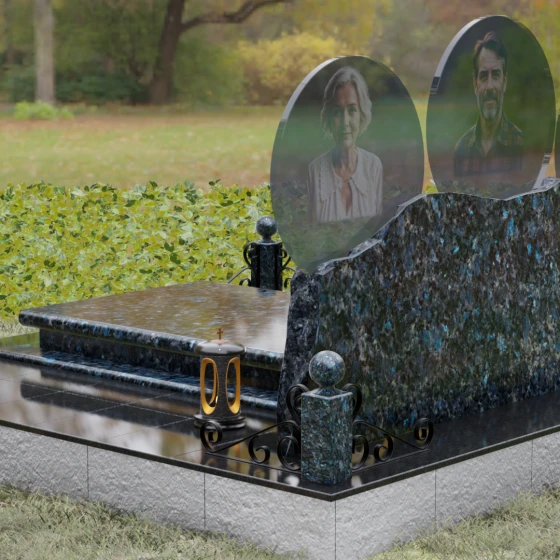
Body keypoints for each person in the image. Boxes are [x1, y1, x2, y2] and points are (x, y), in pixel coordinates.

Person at [308, 66, 383, 224]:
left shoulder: (373, 166)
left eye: (352, 110)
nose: (345, 122)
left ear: (361, 114)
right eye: (337, 112)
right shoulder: (314, 171)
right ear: (329, 118)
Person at [454, 31, 523, 178]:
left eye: (496, 75)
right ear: (475, 84)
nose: (490, 86)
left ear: (505, 82)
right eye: (484, 76)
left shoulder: (520, 146)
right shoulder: (461, 149)